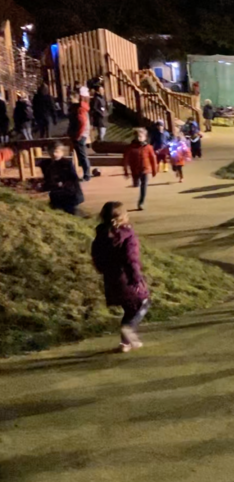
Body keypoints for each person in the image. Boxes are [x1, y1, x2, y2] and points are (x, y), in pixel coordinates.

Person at [91, 201, 151, 354]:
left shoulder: (101, 236)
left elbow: (97, 258)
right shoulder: (128, 236)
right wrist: (136, 278)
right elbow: (131, 259)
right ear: (124, 217)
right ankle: (128, 330)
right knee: (144, 303)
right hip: (127, 279)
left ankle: (125, 343)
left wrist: (104, 270)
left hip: (111, 280)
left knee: (129, 309)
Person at [41, 144, 84, 215]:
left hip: (70, 194)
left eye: (56, 152)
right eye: (51, 152)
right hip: (56, 195)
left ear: (62, 152)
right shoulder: (45, 164)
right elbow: (47, 179)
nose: (54, 154)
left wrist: (63, 184)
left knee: (71, 212)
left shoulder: (67, 163)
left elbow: (73, 179)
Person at [123, 128, 159, 209]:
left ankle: (141, 202)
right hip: (135, 170)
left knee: (144, 185)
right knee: (136, 184)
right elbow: (125, 159)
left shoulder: (148, 147)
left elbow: (153, 158)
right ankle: (136, 182)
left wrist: (154, 169)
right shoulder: (130, 147)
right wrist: (126, 170)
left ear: (145, 137)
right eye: (136, 136)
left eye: (140, 136)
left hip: (145, 169)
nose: (138, 138)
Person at [67, 95, 91, 181]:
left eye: (70, 98)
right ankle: (85, 173)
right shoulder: (76, 108)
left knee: (82, 155)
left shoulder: (78, 109)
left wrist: (78, 135)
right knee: (80, 155)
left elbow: (82, 123)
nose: (68, 99)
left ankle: (87, 175)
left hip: (80, 135)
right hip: (79, 134)